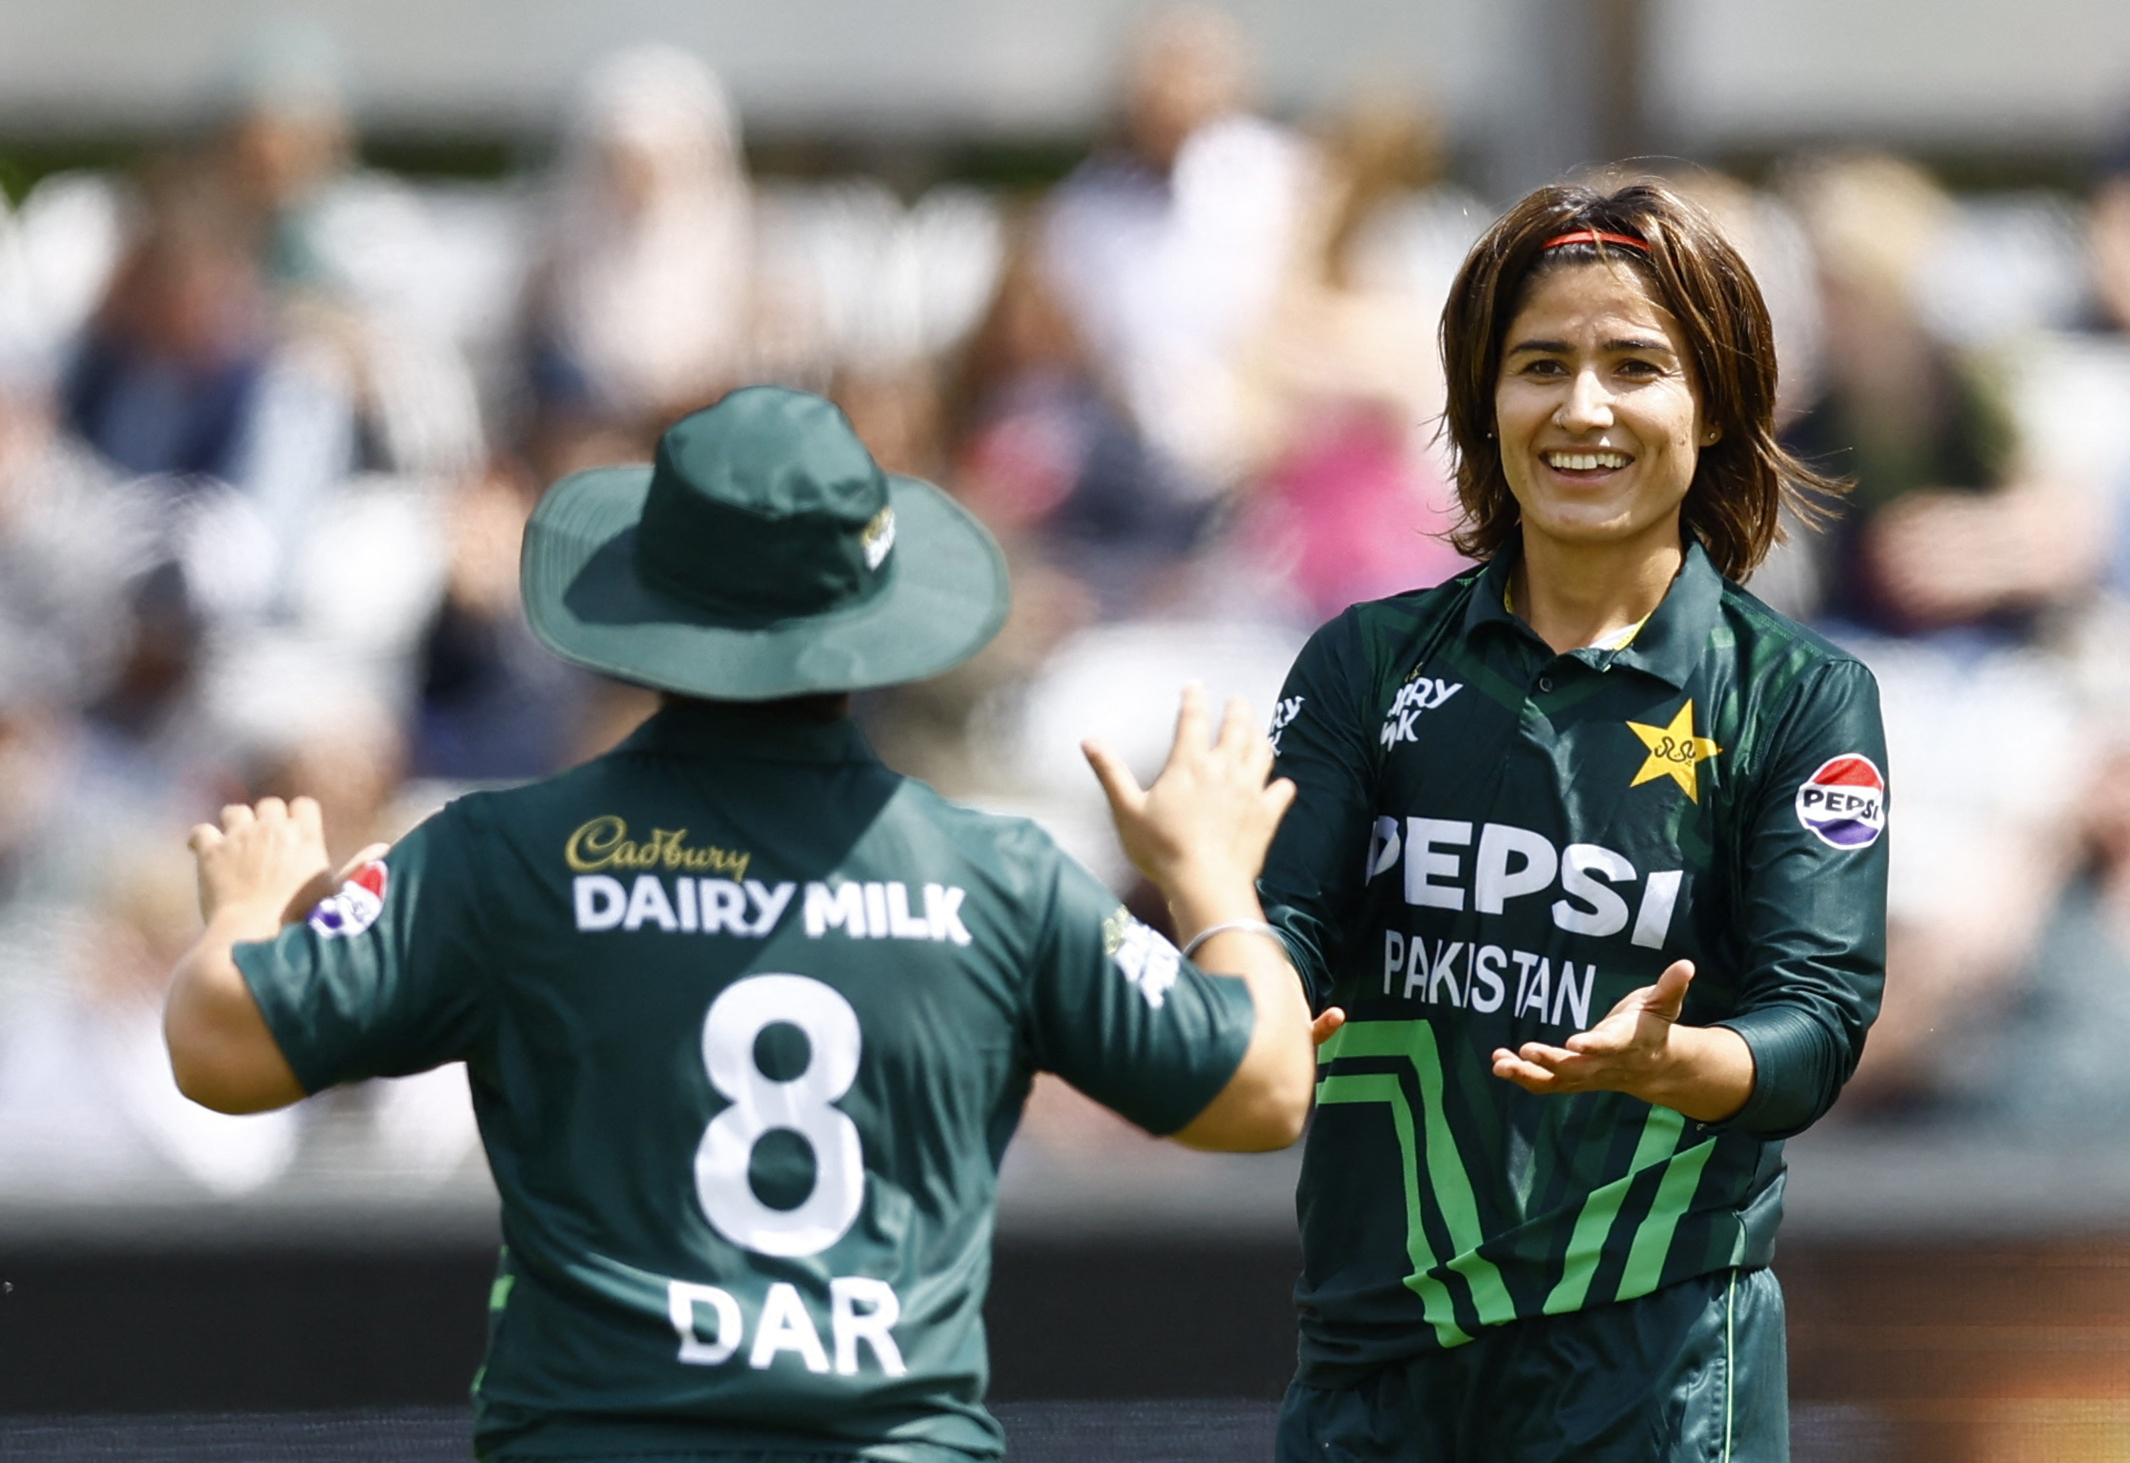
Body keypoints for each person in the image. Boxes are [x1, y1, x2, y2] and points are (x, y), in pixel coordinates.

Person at [162, 385, 1316, 1462]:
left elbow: (221, 1046)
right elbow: (1261, 1088)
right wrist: (1208, 874)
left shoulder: (499, 857)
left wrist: (246, 907)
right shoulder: (998, 875)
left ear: (650, 599)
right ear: (872, 612)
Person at [1261, 181, 1888, 1461]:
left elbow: (1815, 1028)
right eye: (1540, 364)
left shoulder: (1801, 696)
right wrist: (1232, 970)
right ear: (1482, 404)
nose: (1584, 408)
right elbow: (1282, 938)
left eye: (1636, 365)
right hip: (1382, 1348)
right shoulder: (1362, 664)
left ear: (1714, 404)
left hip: (1652, 1357)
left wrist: (1677, 1065)